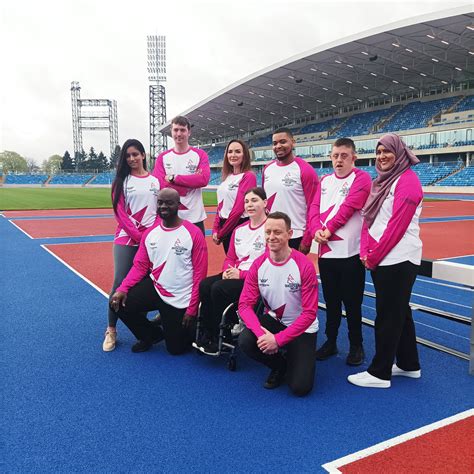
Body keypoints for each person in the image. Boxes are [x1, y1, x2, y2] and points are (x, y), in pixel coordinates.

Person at [348, 133, 423, 389]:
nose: (382, 156)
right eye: (378, 152)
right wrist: (365, 251)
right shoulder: (381, 182)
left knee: (387, 316)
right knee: (400, 313)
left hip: (399, 259)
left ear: (400, 152)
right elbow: (369, 221)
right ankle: (408, 364)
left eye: (387, 151)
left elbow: (396, 226)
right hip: (382, 258)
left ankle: (380, 373)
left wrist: (373, 257)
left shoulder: (408, 181)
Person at [110, 188, 208, 354]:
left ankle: (193, 324)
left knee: (176, 350)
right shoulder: (150, 233)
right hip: (156, 287)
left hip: (180, 295)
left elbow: (199, 275)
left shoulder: (193, 233)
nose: (163, 206)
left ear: (178, 205)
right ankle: (151, 335)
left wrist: (192, 309)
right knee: (117, 304)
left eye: (169, 203)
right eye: (160, 202)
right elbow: (140, 266)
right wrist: (122, 289)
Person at [238, 212, 319, 397]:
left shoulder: (304, 266)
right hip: (276, 320)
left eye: (277, 232)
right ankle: (279, 365)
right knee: (246, 340)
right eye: (268, 232)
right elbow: (244, 305)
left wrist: (278, 340)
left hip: (303, 327)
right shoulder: (258, 265)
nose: (271, 237)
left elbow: (309, 314)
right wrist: (261, 335)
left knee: (300, 388)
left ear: (289, 234)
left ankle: (294, 352)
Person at [309, 138, 372, 366]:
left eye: (344, 156)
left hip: (350, 253)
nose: (339, 160)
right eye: (335, 156)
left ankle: (357, 345)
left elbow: (349, 207)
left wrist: (328, 230)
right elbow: (314, 208)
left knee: (353, 303)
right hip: (327, 254)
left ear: (353, 158)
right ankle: (331, 340)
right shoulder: (324, 181)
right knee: (332, 301)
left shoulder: (362, 178)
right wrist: (316, 229)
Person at [103, 139, 160, 352]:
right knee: (120, 282)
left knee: (142, 285)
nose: (132, 159)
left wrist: (149, 236)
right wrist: (138, 236)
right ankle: (111, 330)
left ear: (143, 155)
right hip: (127, 238)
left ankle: (143, 331)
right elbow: (119, 213)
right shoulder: (121, 181)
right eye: (128, 156)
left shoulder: (156, 181)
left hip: (151, 238)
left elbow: (158, 211)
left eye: (135, 154)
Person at [196, 187, 268, 355]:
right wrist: (227, 271)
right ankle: (208, 332)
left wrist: (240, 275)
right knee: (205, 285)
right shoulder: (239, 230)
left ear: (265, 203)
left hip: (256, 279)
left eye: (254, 200)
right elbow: (230, 257)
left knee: (218, 289)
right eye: (247, 202)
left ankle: (223, 333)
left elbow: (268, 266)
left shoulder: (269, 229)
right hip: (235, 274)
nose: (250, 205)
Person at [262, 127, 319, 254]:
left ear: (293, 142)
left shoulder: (306, 170)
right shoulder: (267, 169)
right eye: (275, 143)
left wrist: (307, 239)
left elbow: (314, 206)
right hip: (271, 234)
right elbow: (264, 203)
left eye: (283, 142)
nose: (278, 146)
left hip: (295, 235)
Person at [152, 116, 210, 235]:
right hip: (170, 217)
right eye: (176, 130)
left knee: (197, 253)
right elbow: (160, 185)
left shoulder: (200, 155)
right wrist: (190, 183)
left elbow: (203, 179)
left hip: (194, 217)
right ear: (171, 132)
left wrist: (173, 179)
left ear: (189, 132)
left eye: (182, 130)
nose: (179, 133)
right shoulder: (162, 158)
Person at [212, 139, 257, 254]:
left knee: (240, 262)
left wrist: (222, 233)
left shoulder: (248, 176)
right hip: (225, 225)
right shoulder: (227, 177)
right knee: (230, 259)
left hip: (239, 224)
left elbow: (238, 210)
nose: (233, 155)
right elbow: (220, 207)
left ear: (244, 155)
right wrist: (215, 229)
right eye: (230, 152)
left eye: (237, 151)